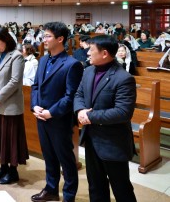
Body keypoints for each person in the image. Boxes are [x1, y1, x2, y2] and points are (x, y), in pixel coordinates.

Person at [74, 35, 137, 202]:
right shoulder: (88, 71)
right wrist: (80, 110)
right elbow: (79, 94)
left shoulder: (123, 78)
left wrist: (89, 116)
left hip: (112, 142)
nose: (87, 53)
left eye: (91, 50)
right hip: (92, 138)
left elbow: (123, 112)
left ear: (104, 53)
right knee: (95, 185)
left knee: (121, 188)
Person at [31, 22, 83, 202]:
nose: (43, 39)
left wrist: (51, 112)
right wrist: (35, 105)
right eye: (43, 36)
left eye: (47, 36)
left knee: (66, 160)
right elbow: (36, 86)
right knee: (49, 156)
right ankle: (51, 189)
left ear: (60, 39)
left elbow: (70, 96)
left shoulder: (72, 64)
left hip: (59, 119)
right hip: (41, 116)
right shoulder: (43, 59)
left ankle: (69, 196)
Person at [0, 27, 28, 185]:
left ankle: (13, 170)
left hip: (10, 106)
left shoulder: (16, 56)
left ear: (5, 39)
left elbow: (15, 81)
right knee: (0, 137)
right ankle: (3, 166)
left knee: (11, 138)